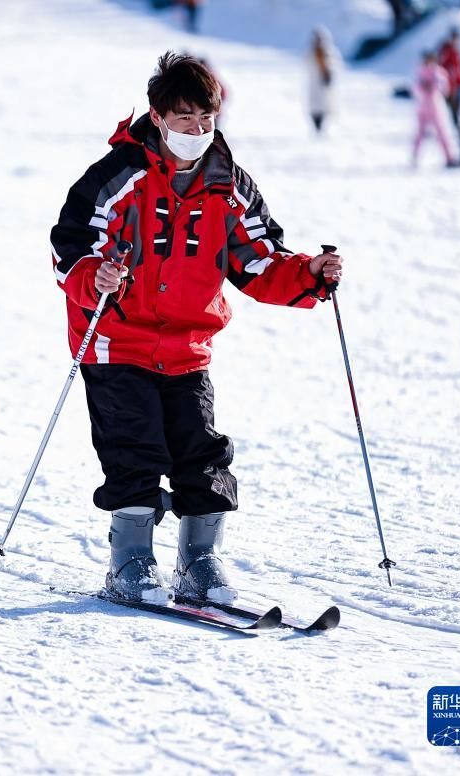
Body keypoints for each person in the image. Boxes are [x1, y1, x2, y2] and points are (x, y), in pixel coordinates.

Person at [49, 53, 343, 603]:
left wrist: (308, 274)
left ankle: (199, 561)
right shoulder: (117, 177)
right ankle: (130, 564)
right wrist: (97, 274)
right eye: (186, 120)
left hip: (189, 346)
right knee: (134, 451)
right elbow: (69, 249)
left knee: (201, 454)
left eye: (207, 120)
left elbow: (258, 260)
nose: (198, 131)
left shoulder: (226, 185)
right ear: (158, 117)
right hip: (118, 342)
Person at [412, 50, 458, 167]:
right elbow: (414, 88)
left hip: (436, 108)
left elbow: (444, 89)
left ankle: (449, 157)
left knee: (442, 133)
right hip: (422, 108)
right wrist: (422, 87)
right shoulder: (420, 71)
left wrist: (432, 86)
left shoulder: (439, 72)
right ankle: (415, 157)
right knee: (419, 135)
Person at [305, 26, 342, 134]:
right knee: (314, 106)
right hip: (314, 86)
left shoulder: (330, 53)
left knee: (326, 105)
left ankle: (323, 128)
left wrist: (328, 73)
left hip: (325, 87)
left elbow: (337, 66)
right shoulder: (311, 53)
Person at [438, 27, 460, 127]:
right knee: (445, 107)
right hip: (448, 85)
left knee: (457, 107)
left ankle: (457, 127)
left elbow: (459, 70)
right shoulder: (446, 50)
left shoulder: (457, 52)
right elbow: (443, 67)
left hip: (456, 85)